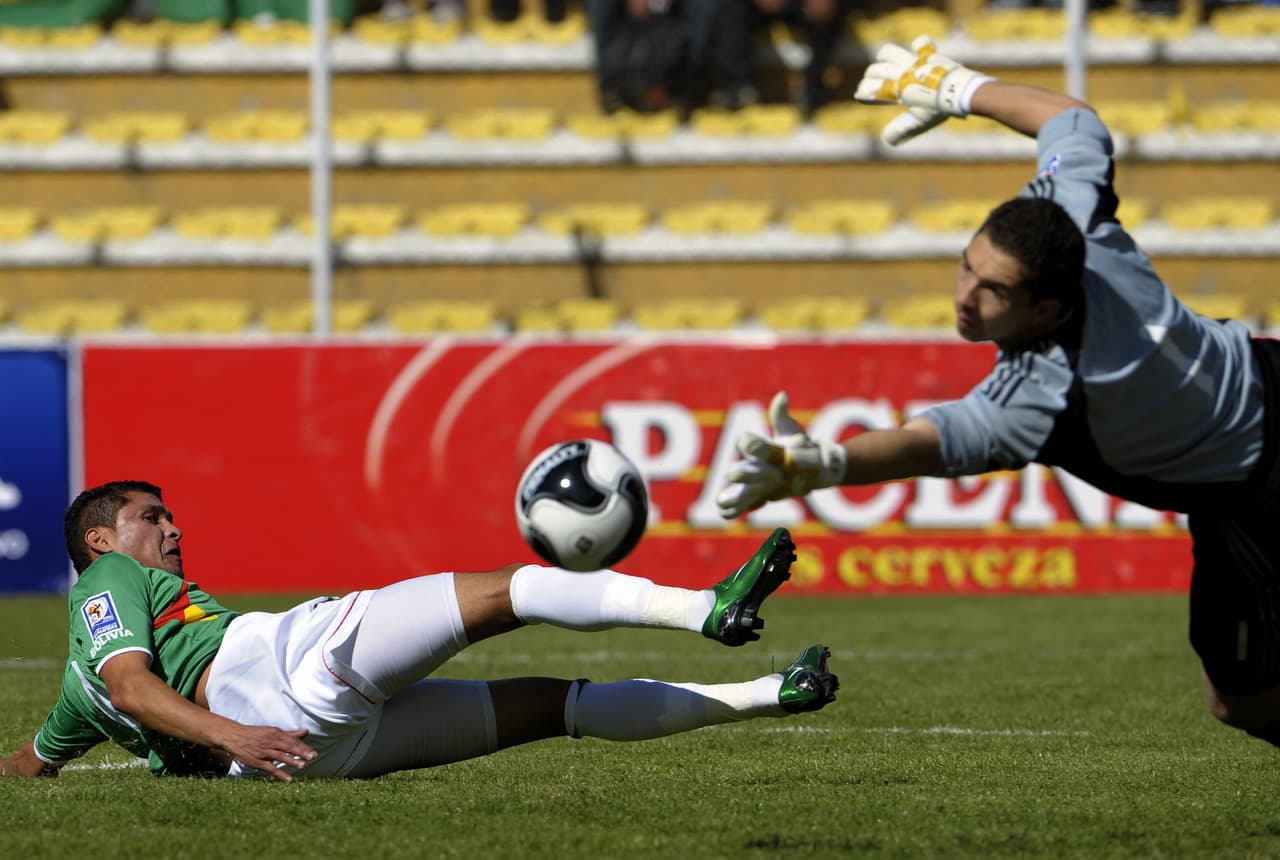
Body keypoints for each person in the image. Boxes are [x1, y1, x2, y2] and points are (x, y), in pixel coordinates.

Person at [716, 36, 1280, 748]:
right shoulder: (1066, 217)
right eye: (965, 267)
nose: (965, 298)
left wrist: (822, 465)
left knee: (1246, 707)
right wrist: (955, 85)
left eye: (993, 291)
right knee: (1237, 702)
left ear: (1045, 311)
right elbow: (1074, 121)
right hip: (1264, 378)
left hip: (1255, 493)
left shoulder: (1048, 391)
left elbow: (932, 441)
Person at [0, 480, 837, 780]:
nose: (173, 530)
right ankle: (705, 609)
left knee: (555, 708)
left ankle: (773, 692)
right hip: (281, 679)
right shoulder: (110, 580)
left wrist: (235, 745)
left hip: (311, 753)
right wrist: (230, 732)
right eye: (152, 518)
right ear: (101, 541)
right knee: (513, 590)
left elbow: (31, 763)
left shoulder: (72, 702)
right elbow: (131, 684)